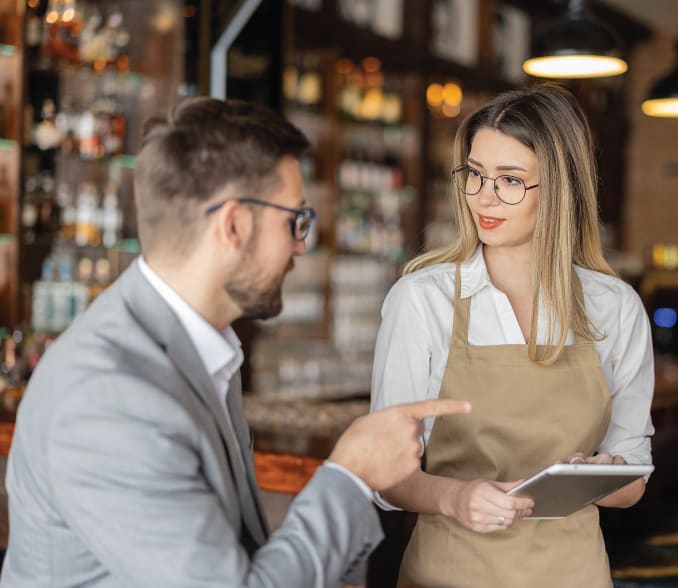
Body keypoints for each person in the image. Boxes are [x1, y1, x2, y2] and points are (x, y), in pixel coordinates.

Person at [0, 97, 471, 588]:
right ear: (232, 225)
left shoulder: (191, 345)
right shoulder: (108, 396)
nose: (301, 244)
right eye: (295, 220)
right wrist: (351, 475)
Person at [370, 83, 654, 588]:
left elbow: (631, 483)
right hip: (451, 573)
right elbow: (384, 474)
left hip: (576, 574)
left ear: (562, 186)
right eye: (474, 175)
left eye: (511, 180)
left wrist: (592, 474)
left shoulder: (615, 307)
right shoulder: (423, 300)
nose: (485, 197)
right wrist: (455, 497)